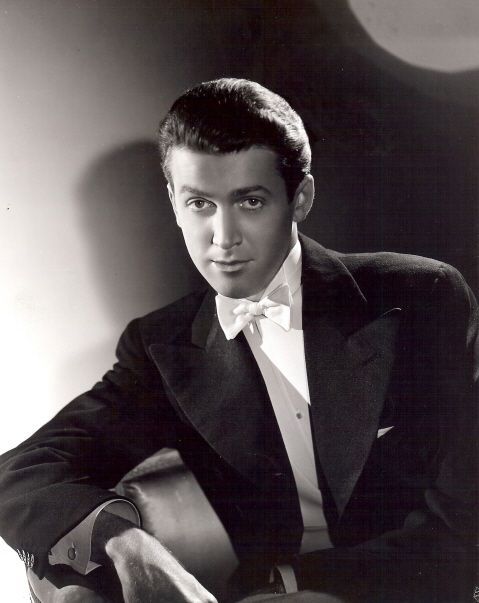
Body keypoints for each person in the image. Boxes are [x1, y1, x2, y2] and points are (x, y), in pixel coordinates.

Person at [0, 78, 477, 603]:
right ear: (173, 202)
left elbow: (463, 524)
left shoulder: (420, 297)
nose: (223, 238)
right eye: (199, 203)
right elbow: (21, 471)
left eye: (250, 201)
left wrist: (321, 589)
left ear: (300, 198)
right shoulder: (161, 348)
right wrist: (125, 543)